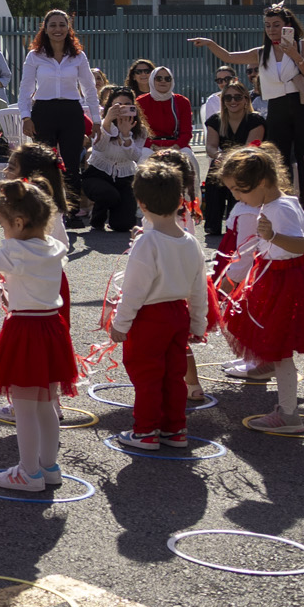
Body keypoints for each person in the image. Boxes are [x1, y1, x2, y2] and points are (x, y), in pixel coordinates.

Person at [0, 178, 80, 494]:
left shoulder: (14, 250)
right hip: (52, 329)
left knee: (25, 406)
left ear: (19, 222)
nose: (3, 233)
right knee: (46, 402)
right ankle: (49, 466)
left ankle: (28, 472)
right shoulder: (54, 247)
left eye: (4, 226)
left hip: (25, 331)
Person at [212, 146, 304, 430]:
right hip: (280, 275)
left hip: (284, 281)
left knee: (281, 350)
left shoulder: (280, 207)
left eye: (240, 190)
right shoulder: (284, 202)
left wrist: (274, 238)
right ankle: (277, 392)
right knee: (274, 342)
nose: (237, 197)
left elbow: (301, 244)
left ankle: (288, 414)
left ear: (262, 182)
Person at [110, 164, 211, 449]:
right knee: (173, 375)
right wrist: (198, 323)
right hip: (178, 314)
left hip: (149, 318)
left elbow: (133, 291)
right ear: (180, 201)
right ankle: (174, 428)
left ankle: (145, 431)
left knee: (147, 376)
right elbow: (198, 288)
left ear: (141, 203)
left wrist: (120, 324)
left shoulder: (147, 243)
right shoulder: (191, 242)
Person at [189, 4, 304, 199]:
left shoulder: (303, 45)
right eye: (268, 25)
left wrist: (294, 54)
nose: (271, 30)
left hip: (302, 105)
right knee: (279, 160)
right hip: (277, 108)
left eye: (276, 25)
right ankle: (282, 202)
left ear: (288, 26)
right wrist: (210, 43)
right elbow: (229, 57)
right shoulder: (262, 52)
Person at [22, 11, 103, 214]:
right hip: (43, 111)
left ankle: (72, 211)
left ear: (68, 28)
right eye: (53, 25)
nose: (57, 29)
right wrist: (26, 116)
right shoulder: (35, 56)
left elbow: (89, 89)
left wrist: (96, 119)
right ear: (45, 29)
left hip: (71, 112)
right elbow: (25, 88)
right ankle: (47, 211)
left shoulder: (78, 56)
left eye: (62, 25)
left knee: (72, 164)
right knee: (44, 163)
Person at [197, 82, 266, 246]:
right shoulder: (215, 120)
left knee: (239, 172)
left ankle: (237, 222)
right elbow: (211, 147)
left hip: (248, 161)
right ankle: (212, 224)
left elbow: (251, 147)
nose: (232, 101)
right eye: (228, 97)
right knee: (215, 169)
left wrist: (227, 159)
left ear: (245, 99)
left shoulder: (255, 120)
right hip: (224, 161)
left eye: (237, 97)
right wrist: (219, 155)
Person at [82, 92, 144, 234]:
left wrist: (126, 135)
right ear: (109, 107)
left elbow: (135, 156)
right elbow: (99, 147)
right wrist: (107, 122)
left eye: (127, 105)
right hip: (97, 174)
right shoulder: (102, 126)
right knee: (108, 194)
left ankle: (116, 213)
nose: (123, 108)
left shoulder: (140, 130)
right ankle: (97, 218)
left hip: (125, 176)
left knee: (124, 226)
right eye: (118, 105)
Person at [136, 67, 192, 157]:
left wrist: (175, 147)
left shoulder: (182, 101)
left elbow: (186, 132)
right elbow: (139, 132)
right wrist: (154, 147)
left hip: (176, 144)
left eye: (167, 79)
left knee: (189, 156)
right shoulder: (140, 102)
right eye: (158, 78)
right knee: (144, 156)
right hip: (149, 146)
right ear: (152, 80)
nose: (163, 81)